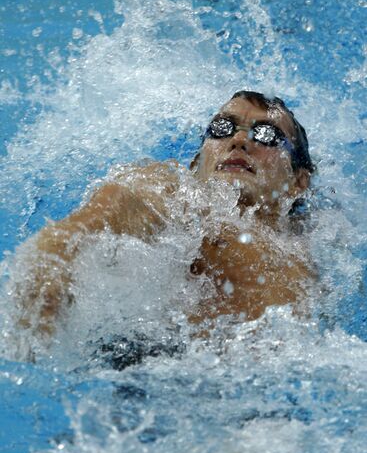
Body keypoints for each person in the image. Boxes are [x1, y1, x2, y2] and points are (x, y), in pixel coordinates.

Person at [16, 90, 316, 339]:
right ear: (196, 163)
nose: (239, 141)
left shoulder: (317, 245)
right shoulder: (175, 196)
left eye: (266, 134)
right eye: (221, 129)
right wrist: (60, 251)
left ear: (298, 183)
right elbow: (122, 204)